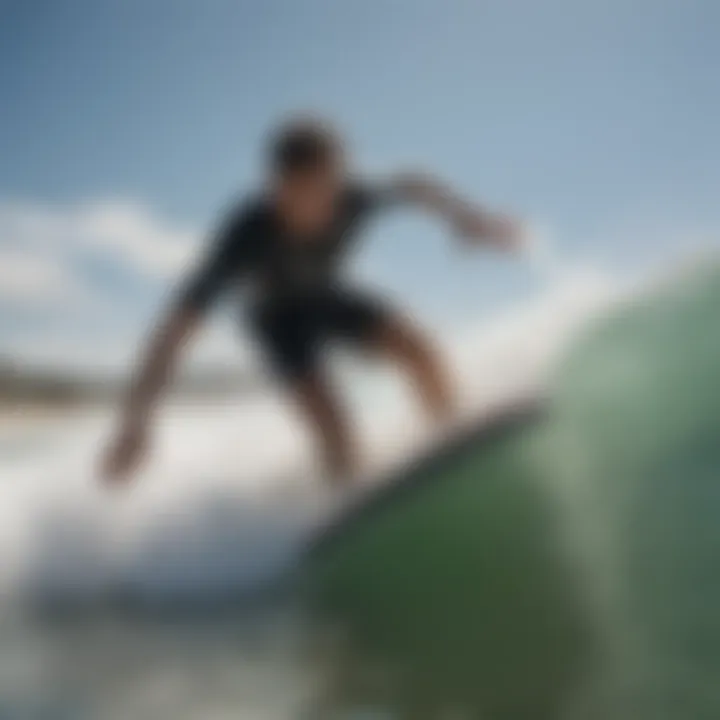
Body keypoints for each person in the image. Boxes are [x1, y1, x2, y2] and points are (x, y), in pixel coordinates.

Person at [101, 117, 524, 486]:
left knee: (421, 351)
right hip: (275, 321)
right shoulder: (245, 234)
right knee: (337, 431)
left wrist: (470, 220)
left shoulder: (354, 197)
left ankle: (451, 445)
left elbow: (415, 184)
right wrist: (135, 423)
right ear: (276, 187)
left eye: (329, 188)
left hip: (325, 295)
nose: (321, 207)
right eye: (304, 194)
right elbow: (171, 334)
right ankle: (350, 501)